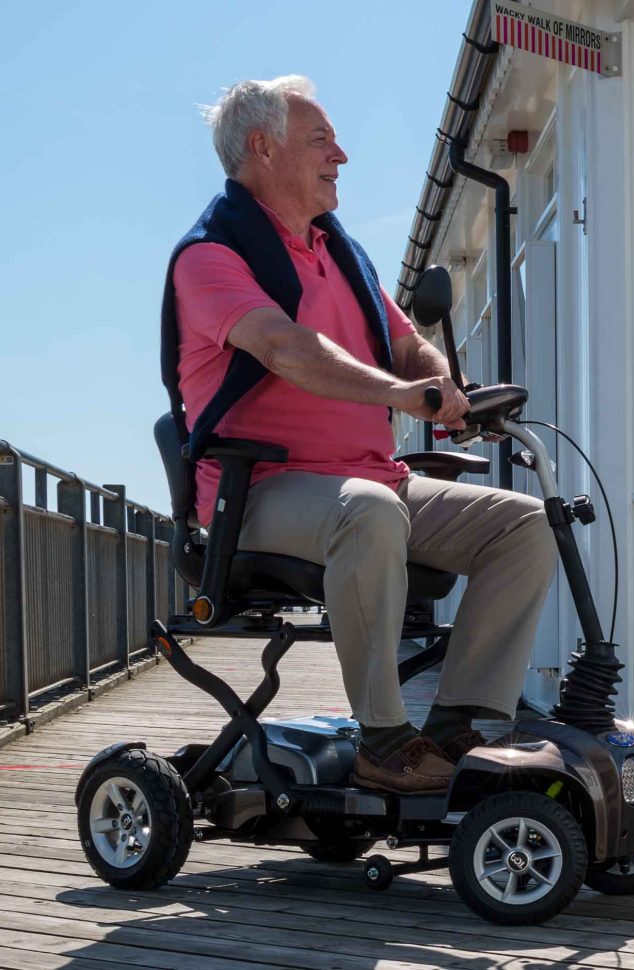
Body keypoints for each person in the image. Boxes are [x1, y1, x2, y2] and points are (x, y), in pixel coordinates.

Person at [163, 75, 553, 794]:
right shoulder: (211, 259)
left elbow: (407, 346)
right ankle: (382, 738)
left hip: (372, 480)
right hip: (261, 495)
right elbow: (287, 349)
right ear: (262, 147)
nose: (340, 155)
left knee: (525, 525)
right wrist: (405, 395)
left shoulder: (337, 252)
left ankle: (458, 721)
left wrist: (444, 385)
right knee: (368, 512)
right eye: (320, 141)